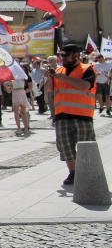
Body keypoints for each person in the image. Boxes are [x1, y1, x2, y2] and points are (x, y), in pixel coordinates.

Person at [53, 43, 96, 186]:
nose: (62, 58)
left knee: (86, 147)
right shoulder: (58, 70)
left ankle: (87, 172)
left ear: (76, 56)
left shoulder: (87, 69)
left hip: (82, 116)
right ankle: (73, 173)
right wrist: (48, 78)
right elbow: (51, 91)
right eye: (61, 55)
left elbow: (85, 86)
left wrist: (61, 77)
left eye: (65, 55)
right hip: (62, 116)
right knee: (65, 147)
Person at [7, 64, 32, 136]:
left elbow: (26, 78)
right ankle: (19, 128)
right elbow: (9, 90)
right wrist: (7, 86)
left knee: (23, 111)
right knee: (16, 111)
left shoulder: (22, 76)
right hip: (15, 93)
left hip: (21, 92)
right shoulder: (11, 78)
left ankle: (26, 127)